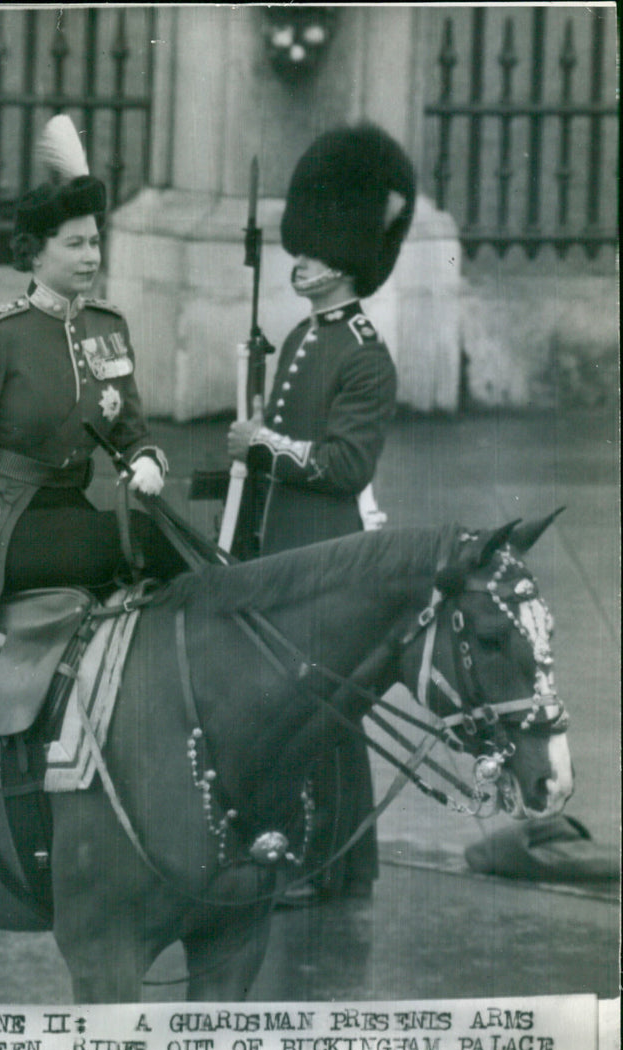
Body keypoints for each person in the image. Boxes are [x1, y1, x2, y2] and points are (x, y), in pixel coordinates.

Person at [227, 123, 416, 904]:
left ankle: (336, 862)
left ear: (347, 257)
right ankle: (323, 857)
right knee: (302, 712)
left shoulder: (366, 353)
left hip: (330, 554)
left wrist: (263, 445)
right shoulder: (306, 334)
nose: (296, 260)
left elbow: (344, 466)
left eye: (310, 250)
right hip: (287, 549)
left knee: (325, 715)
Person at [0, 116, 184, 615]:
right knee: (148, 544)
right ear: (34, 254)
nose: (91, 257)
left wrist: (147, 458)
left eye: (95, 242)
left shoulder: (108, 326)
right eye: (74, 244)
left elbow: (131, 432)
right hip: (9, 525)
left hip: (72, 512)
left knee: (167, 543)